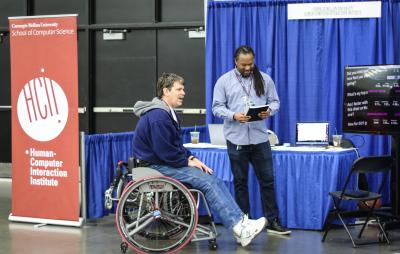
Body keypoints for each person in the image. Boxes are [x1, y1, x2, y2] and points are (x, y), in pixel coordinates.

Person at [132, 73, 266, 247]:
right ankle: (240, 227)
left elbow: (175, 146)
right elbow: (165, 152)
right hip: (154, 166)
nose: (183, 92)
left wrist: (191, 157)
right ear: (166, 91)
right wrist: (187, 161)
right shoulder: (159, 116)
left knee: (212, 178)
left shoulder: (166, 113)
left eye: (183, 89)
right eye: (179, 89)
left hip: (161, 163)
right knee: (208, 182)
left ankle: (240, 223)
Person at [212, 45, 291, 235]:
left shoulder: (264, 79)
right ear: (235, 62)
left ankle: (273, 222)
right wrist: (233, 115)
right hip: (236, 139)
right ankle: (244, 224)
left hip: (259, 139)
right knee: (240, 183)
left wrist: (269, 111)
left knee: (268, 181)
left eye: (251, 64)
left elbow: (275, 102)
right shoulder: (224, 81)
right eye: (244, 65)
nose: (248, 68)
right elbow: (216, 107)